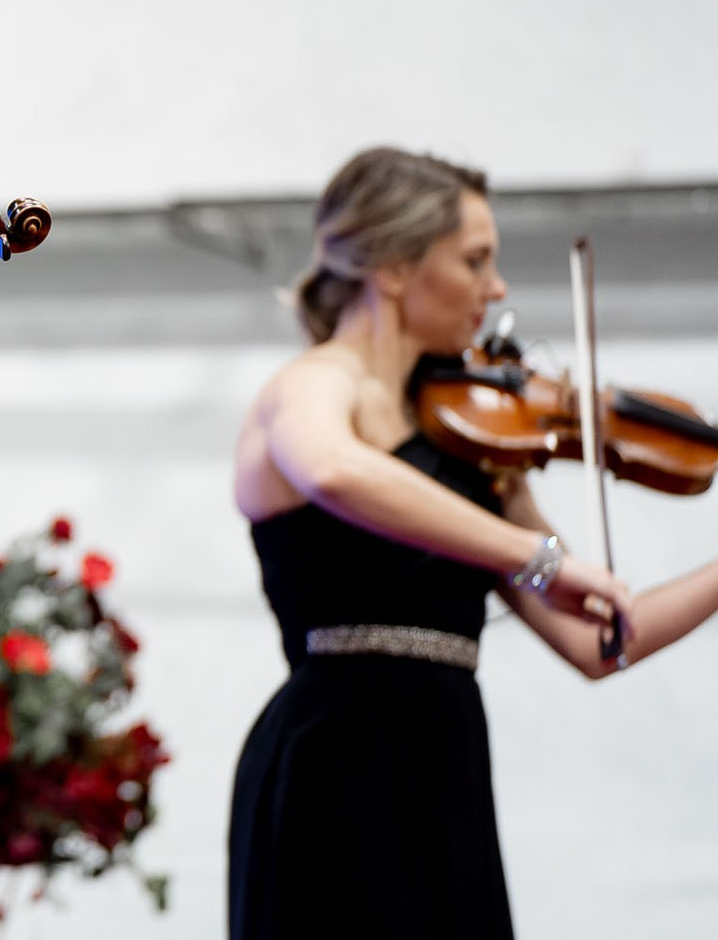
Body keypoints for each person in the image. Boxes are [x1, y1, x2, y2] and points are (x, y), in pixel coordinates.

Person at [227, 146, 718, 939]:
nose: (497, 289)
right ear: (391, 266)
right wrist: (530, 554)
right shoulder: (315, 385)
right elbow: (333, 469)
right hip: (332, 754)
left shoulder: (471, 446)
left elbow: (600, 642)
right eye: (475, 259)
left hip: (443, 755)